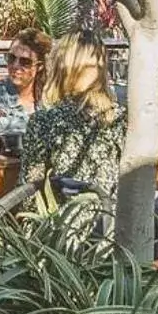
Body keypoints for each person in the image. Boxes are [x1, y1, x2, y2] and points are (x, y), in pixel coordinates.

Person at [21, 32, 125, 201]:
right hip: (111, 222)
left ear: (59, 69)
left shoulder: (46, 120)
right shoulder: (121, 120)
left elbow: (29, 194)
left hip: (61, 225)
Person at [0, 28, 51, 136]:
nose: (15, 65)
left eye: (25, 62)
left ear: (40, 66)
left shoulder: (49, 96)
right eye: (11, 58)